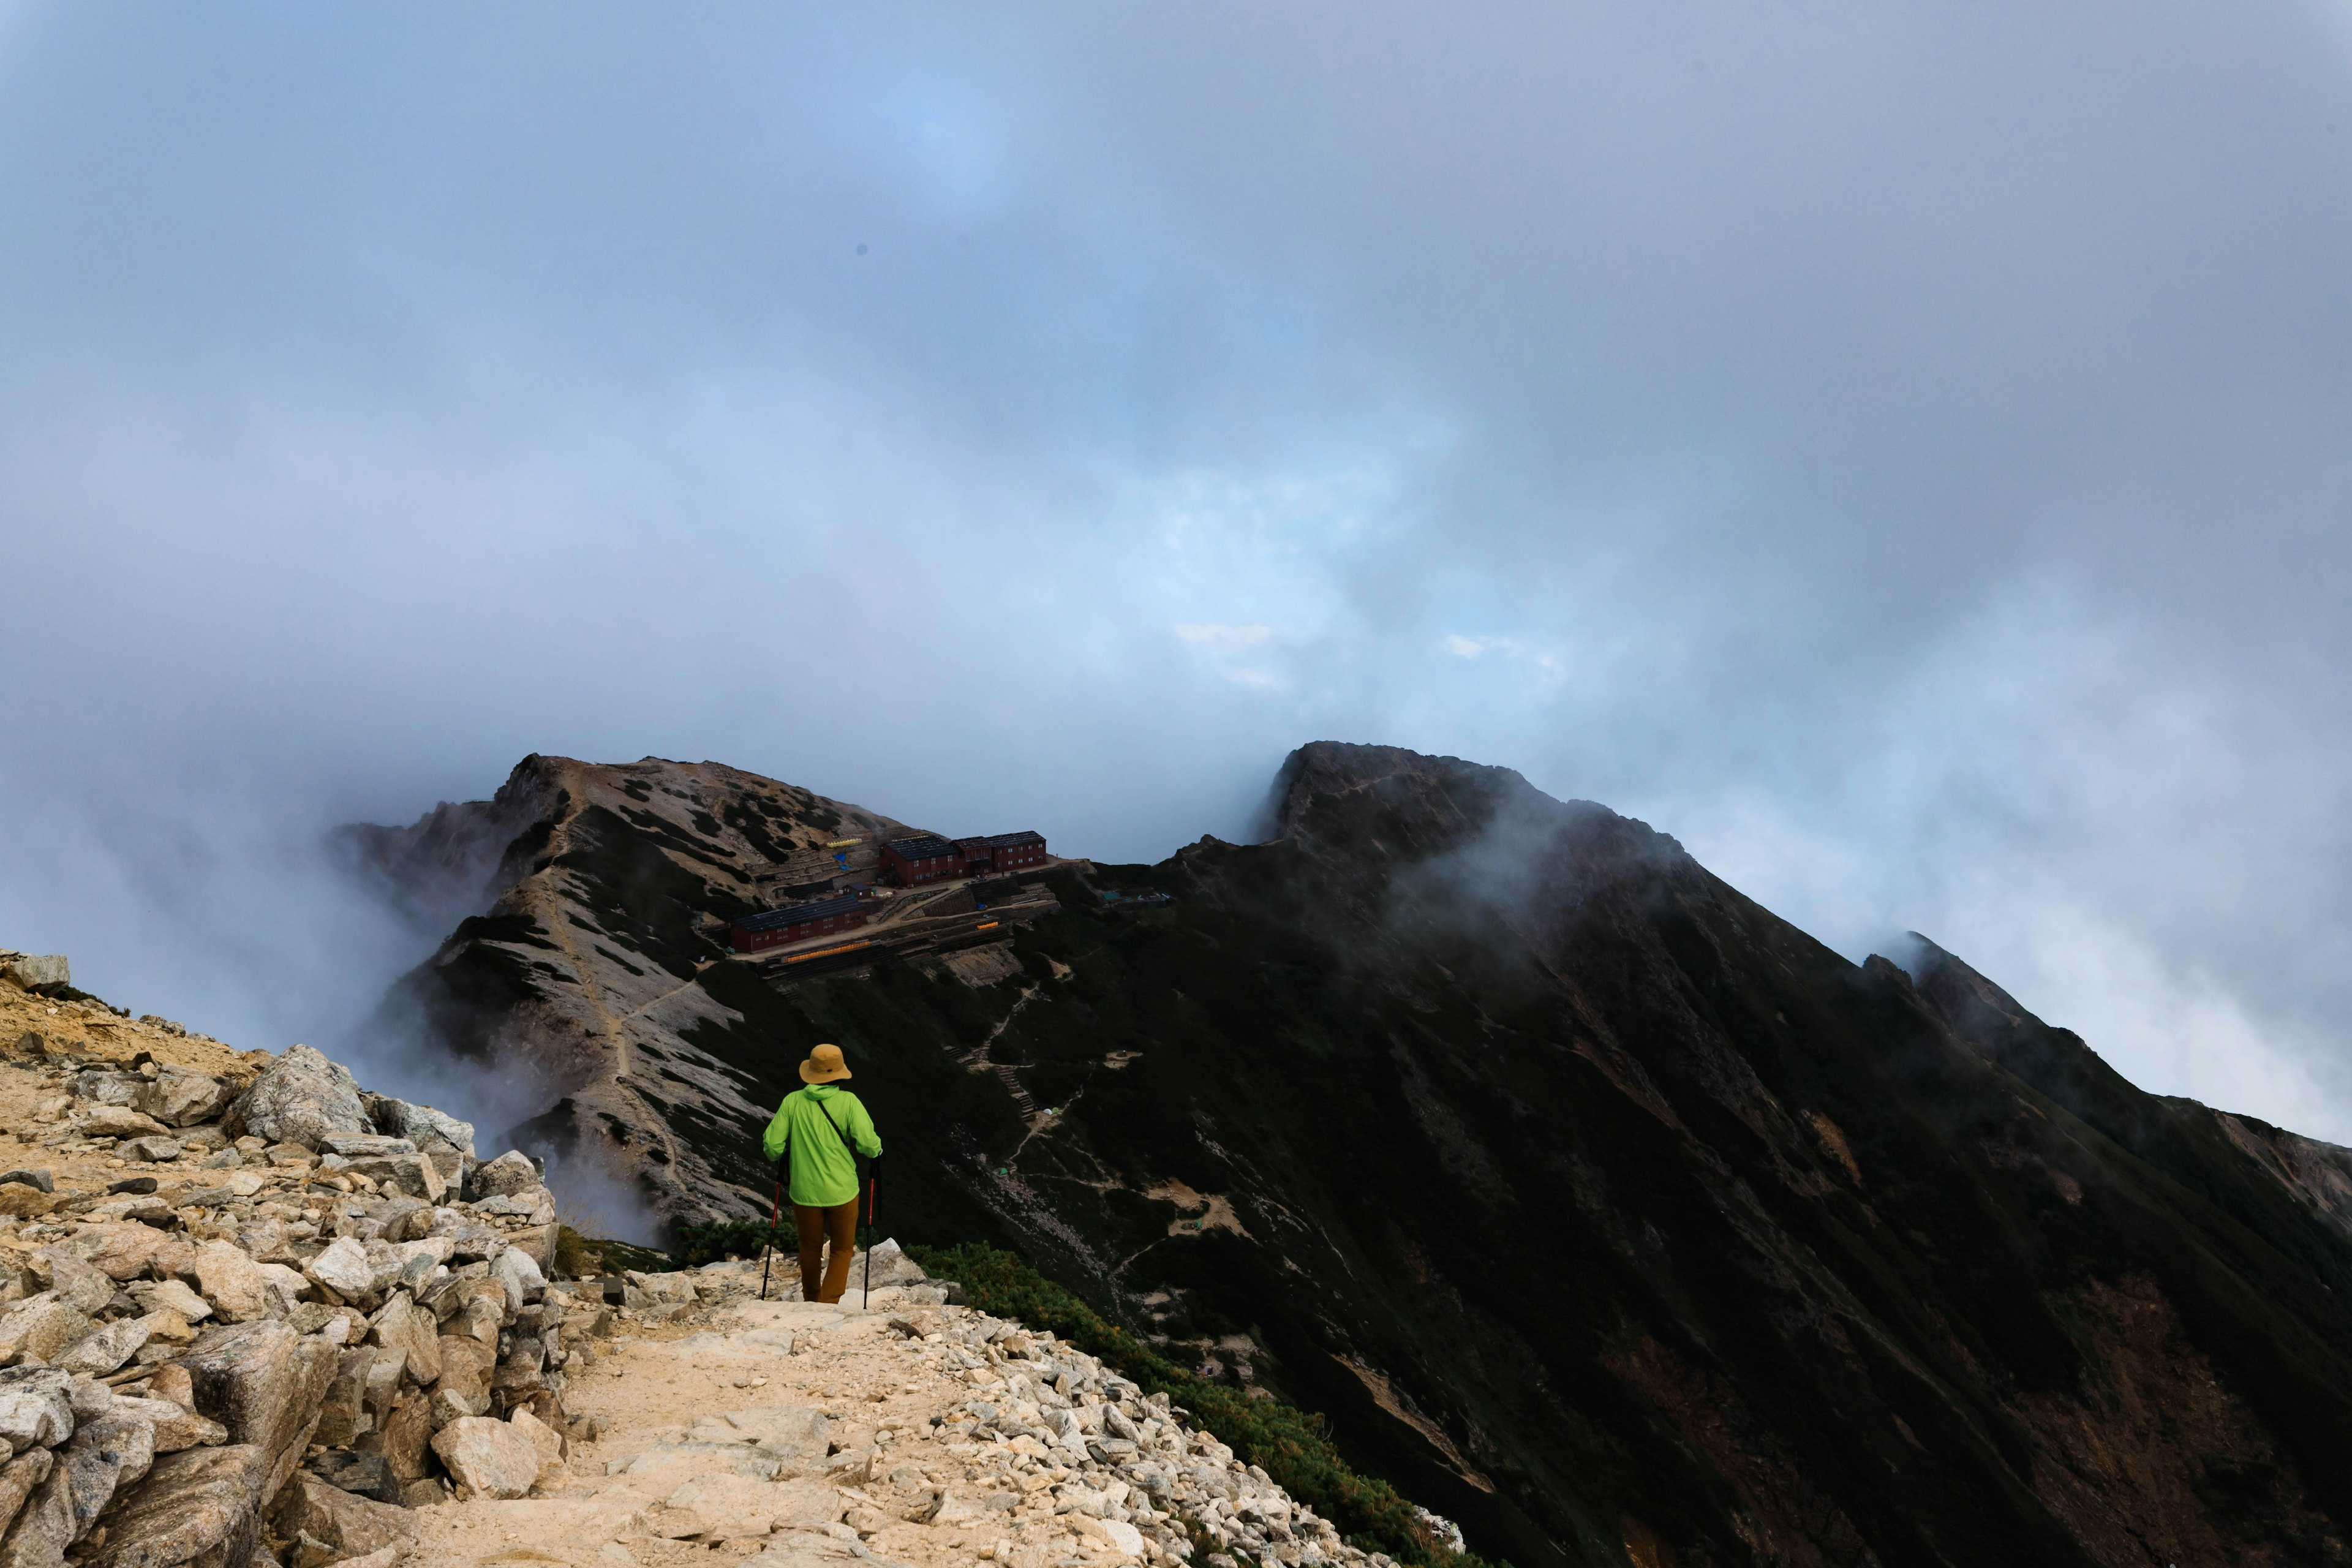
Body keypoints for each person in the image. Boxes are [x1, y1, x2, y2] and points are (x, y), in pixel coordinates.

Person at [761, 1042, 883, 1303]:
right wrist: (877, 1151)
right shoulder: (849, 1102)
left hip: (804, 1193)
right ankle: (828, 1304)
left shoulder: (792, 1101)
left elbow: (772, 1146)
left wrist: (781, 1155)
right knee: (841, 1249)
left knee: (810, 1247)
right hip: (843, 1191)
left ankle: (811, 1299)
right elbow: (867, 1144)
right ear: (839, 1072)